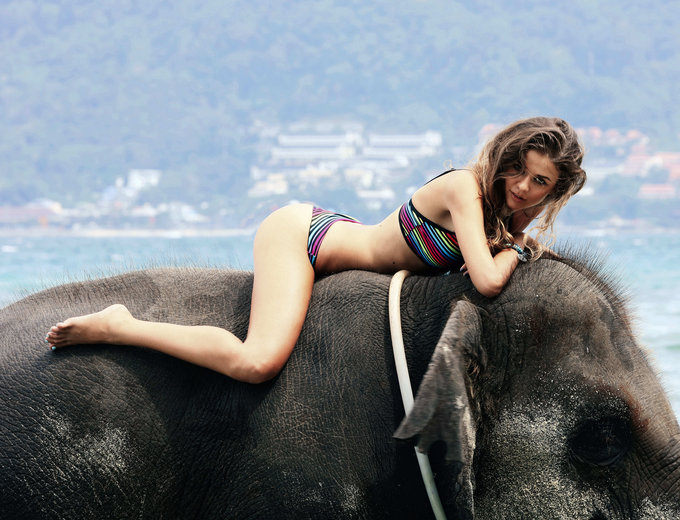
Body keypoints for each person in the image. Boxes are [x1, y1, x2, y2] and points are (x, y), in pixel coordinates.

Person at [45, 117, 587, 383]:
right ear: (504, 157)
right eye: (518, 169)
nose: (523, 186)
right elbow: (488, 282)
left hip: (343, 233)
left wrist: (517, 237)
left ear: (555, 190)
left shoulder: (502, 216)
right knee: (257, 363)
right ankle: (121, 326)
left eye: (539, 182)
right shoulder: (466, 190)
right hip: (301, 237)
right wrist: (519, 250)